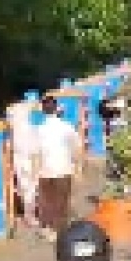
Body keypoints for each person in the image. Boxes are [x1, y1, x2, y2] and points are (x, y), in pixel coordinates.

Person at [31, 95, 83, 241]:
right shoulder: (67, 127)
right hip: (64, 169)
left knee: (47, 201)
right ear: (56, 109)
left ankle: (49, 231)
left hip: (45, 171)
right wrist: (78, 169)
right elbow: (77, 148)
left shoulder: (39, 130)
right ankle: (60, 232)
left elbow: (36, 153)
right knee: (62, 201)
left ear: (42, 110)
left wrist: (35, 175)